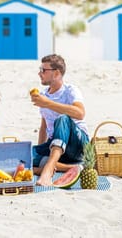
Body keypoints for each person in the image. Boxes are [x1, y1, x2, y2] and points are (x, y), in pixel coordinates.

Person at [30, 54, 90, 186]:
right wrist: (40, 149)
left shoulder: (70, 91)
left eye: (43, 70)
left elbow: (80, 113)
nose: (39, 73)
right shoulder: (43, 95)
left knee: (62, 118)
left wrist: (48, 104)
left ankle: (47, 170)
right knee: (24, 155)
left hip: (77, 144)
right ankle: (68, 167)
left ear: (56, 73)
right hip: (56, 146)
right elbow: (44, 127)